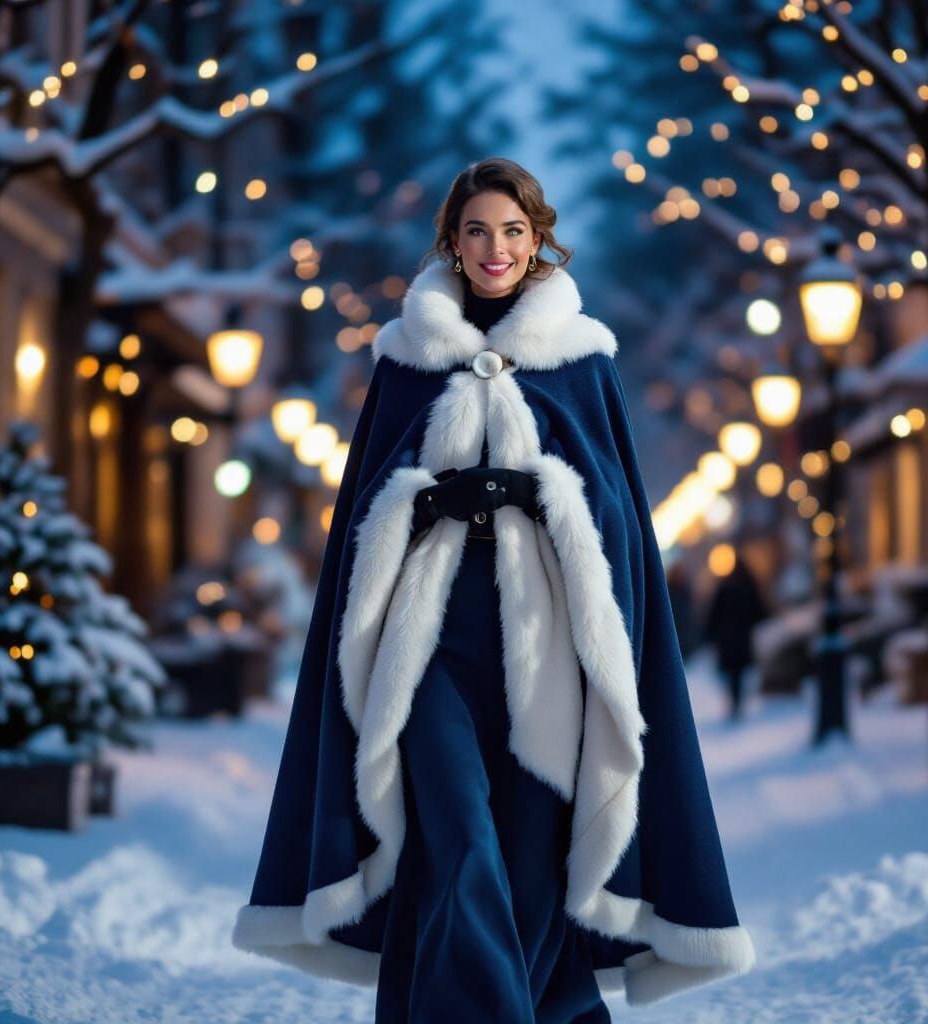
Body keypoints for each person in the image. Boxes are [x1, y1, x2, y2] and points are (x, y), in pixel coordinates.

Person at [232, 157, 756, 1019]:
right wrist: (425, 497)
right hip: (429, 643)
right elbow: (367, 502)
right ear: (452, 241)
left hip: (545, 647)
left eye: (513, 231)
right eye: (477, 230)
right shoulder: (405, 360)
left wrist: (543, 496)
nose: (496, 248)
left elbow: (616, 512)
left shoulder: (581, 361)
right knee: (457, 846)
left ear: (539, 240)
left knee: (529, 859)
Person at [702, 554, 770, 721]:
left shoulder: (725, 588)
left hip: (727, 640)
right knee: (738, 673)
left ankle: (735, 703)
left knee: (733, 674)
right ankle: (737, 703)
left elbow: (714, 615)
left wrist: (710, 633)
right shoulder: (747, 586)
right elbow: (759, 611)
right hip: (741, 638)